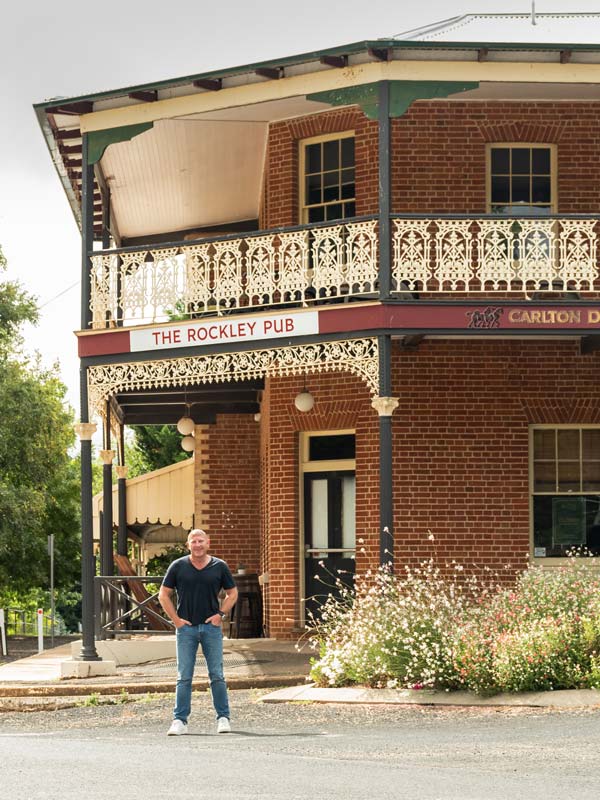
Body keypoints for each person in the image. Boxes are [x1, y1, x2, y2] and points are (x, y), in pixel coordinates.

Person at [159, 528, 238, 735]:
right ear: (188, 545)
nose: (197, 545)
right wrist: (176, 620)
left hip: (211, 628)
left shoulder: (219, 566)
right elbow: (163, 595)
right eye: (193, 541)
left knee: (217, 675)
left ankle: (223, 718)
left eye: (201, 541)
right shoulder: (178, 566)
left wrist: (220, 614)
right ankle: (179, 720)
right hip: (186, 629)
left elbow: (233, 593)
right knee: (184, 676)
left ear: (208, 543)